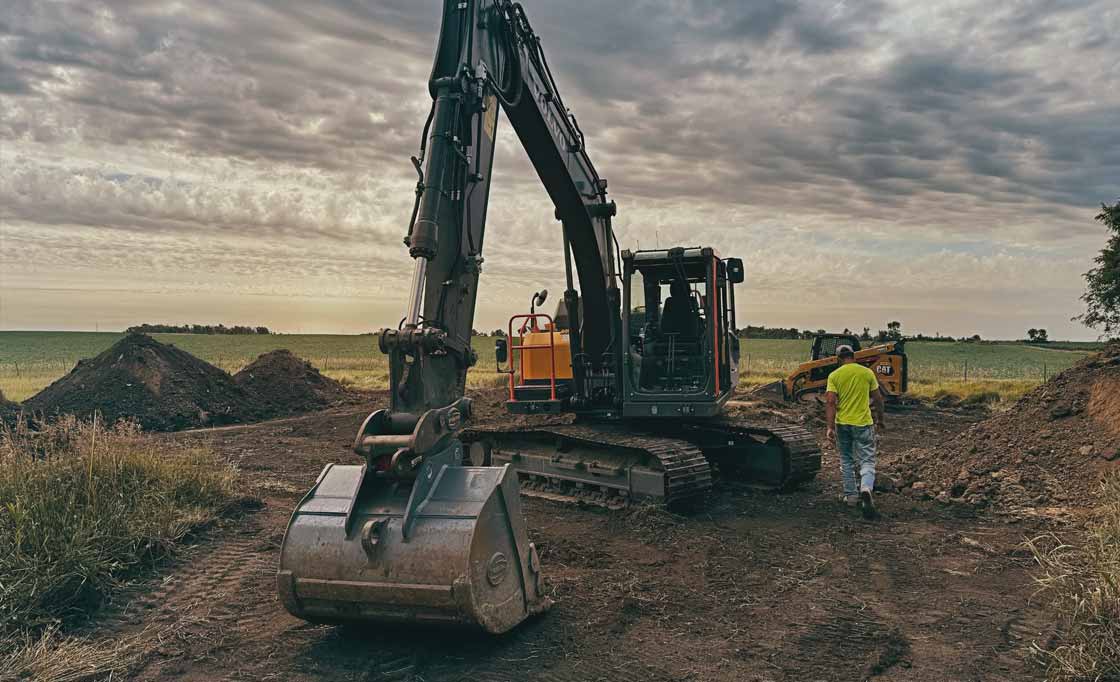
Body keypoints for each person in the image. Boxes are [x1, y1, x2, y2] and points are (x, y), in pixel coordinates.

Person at [825, 345, 886, 518]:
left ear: (838, 358)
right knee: (867, 459)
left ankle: (851, 496)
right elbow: (878, 399)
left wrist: (829, 427)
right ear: (854, 356)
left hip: (842, 424)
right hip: (863, 423)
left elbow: (830, 402)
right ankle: (866, 487)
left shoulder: (834, 375)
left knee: (846, 459)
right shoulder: (867, 373)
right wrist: (880, 420)